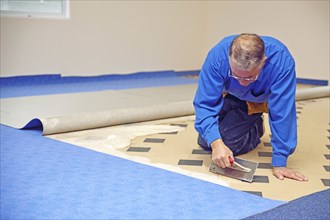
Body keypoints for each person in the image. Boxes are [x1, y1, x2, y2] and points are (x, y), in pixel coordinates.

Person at [193, 33, 308, 182]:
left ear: (263, 62)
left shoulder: (282, 63)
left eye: (249, 77)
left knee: (229, 142)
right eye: (236, 75)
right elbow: (205, 104)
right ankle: (232, 124)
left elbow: (282, 112)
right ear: (229, 59)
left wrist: (280, 161)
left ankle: (255, 127)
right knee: (205, 141)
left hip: (255, 103)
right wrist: (216, 143)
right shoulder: (217, 58)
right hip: (228, 94)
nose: (242, 82)